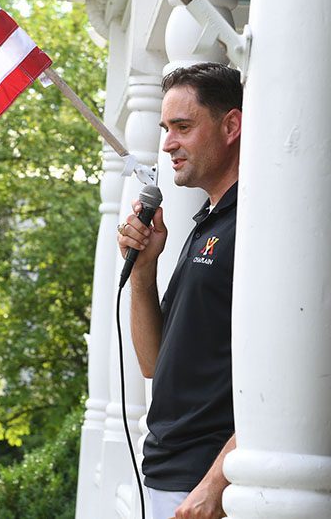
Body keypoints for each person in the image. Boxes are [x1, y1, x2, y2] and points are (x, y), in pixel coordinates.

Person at [116, 62, 242, 519]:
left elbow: (283, 370)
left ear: (231, 126)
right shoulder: (208, 222)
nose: (168, 143)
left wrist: (215, 483)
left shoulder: (253, 222)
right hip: (166, 473)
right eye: (166, 128)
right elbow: (153, 361)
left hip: (207, 481)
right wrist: (143, 270)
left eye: (183, 127)